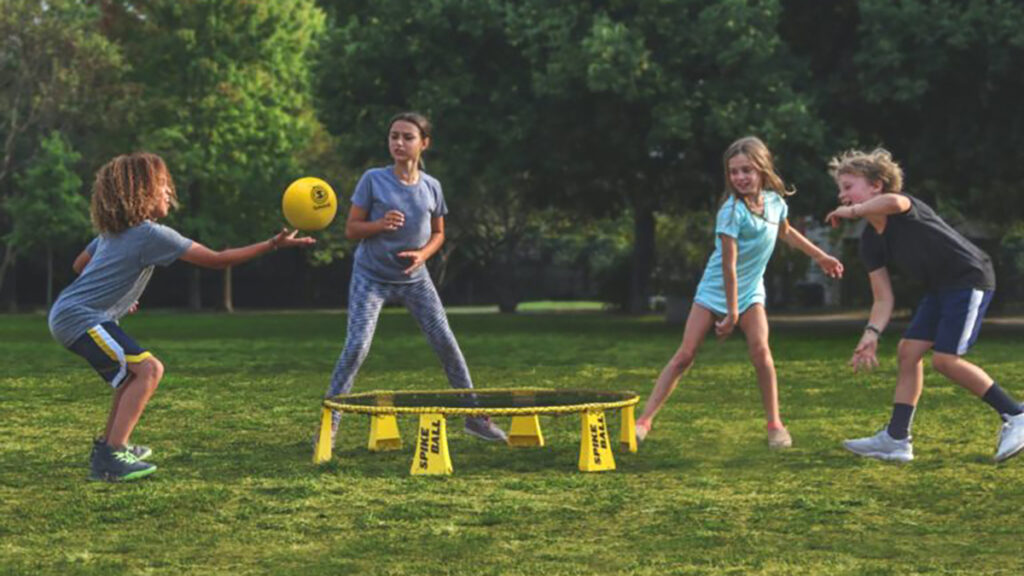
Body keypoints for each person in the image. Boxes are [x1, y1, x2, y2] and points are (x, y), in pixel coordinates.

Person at [49, 152, 315, 482]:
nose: (168, 194)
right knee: (149, 370)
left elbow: (79, 265)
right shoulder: (152, 234)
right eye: (162, 186)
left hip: (73, 313)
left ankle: (110, 447)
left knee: (134, 375)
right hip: (80, 317)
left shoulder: (111, 234)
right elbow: (218, 260)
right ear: (140, 192)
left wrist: (115, 297)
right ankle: (112, 457)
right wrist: (273, 244)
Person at [635, 136, 844, 449]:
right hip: (715, 289)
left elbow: (785, 233)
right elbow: (728, 267)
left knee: (761, 353)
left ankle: (775, 425)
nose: (740, 177)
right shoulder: (730, 212)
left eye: (746, 170)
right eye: (733, 172)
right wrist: (731, 313)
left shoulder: (775, 202)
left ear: (761, 169)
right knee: (685, 355)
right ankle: (643, 421)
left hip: (750, 292)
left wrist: (820, 256)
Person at [317, 112, 506, 446]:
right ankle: (329, 423)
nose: (399, 143)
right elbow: (351, 229)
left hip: (416, 279)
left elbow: (438, 234)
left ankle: (474, 417)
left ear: (424, 144)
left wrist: (422, 256)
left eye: (407, 137)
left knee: (446, 343)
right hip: (371, 277)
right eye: (394, 136)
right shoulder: (373, 180)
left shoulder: (432, 187)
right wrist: (378, 225)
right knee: (357, 346)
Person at [826, 148, 1024, 463]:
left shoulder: (902, 206)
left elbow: (893, 201)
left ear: (876, 185)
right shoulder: (869, 242)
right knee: (908, 352)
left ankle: (1016, 415)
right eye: (841, 189)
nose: (842, 195)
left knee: (945, 361)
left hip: (968, 278)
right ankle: (896, 439)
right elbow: (883, 297)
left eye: (848, 186)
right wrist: (872, 333)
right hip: (940, 288)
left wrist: (850, 211)